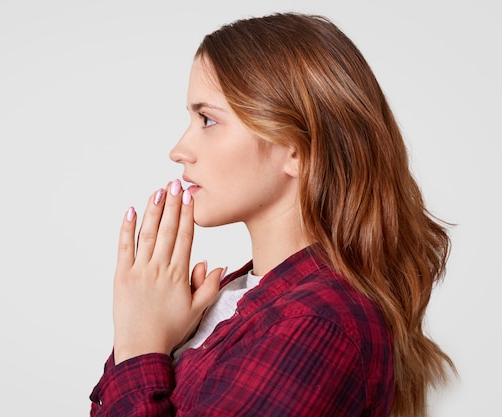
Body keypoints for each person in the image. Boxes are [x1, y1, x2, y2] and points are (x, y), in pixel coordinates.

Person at [89, 12, 455, 417]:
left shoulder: (318, 323)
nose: (179, 149)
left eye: (208, 119)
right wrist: (149, 338)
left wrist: (138, 348)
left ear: (296, 150)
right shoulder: (236, 298)